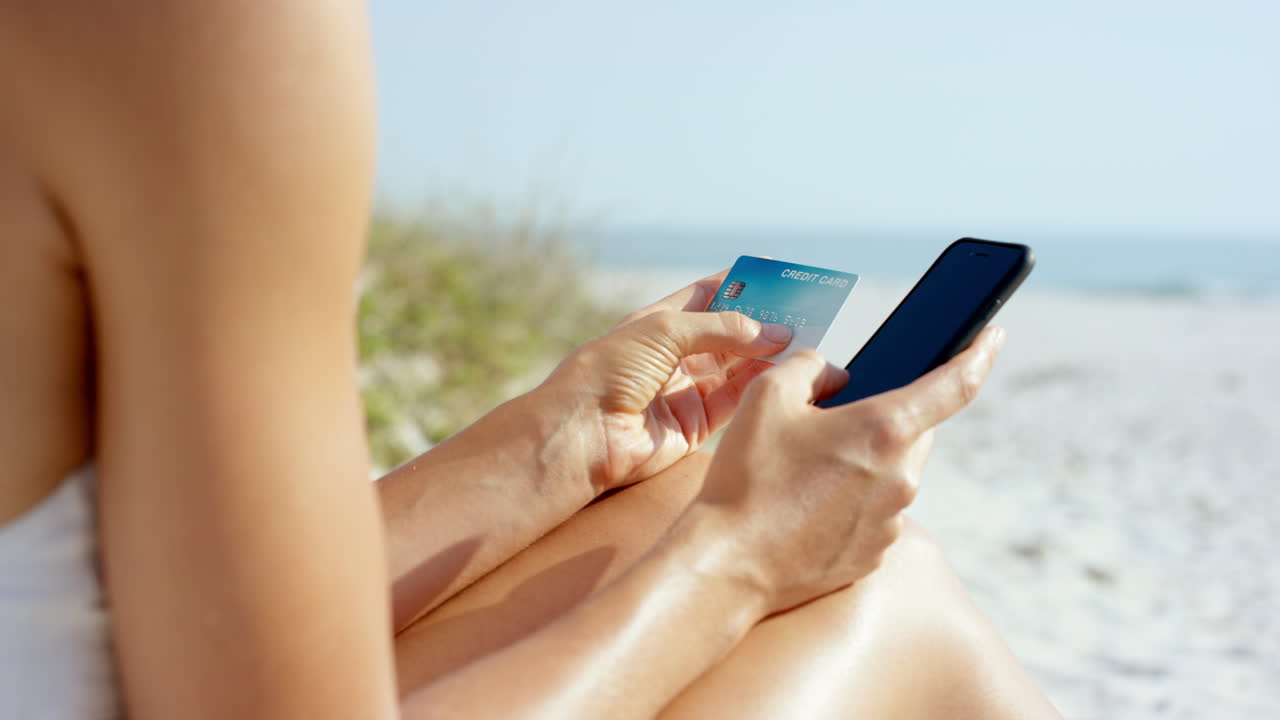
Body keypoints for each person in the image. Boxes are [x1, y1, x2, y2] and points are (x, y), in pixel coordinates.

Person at [0, 2, 1061, 718]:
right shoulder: (183, 36)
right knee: (885, 598)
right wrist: (740, 562)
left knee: (667, 499)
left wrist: (563, 443)